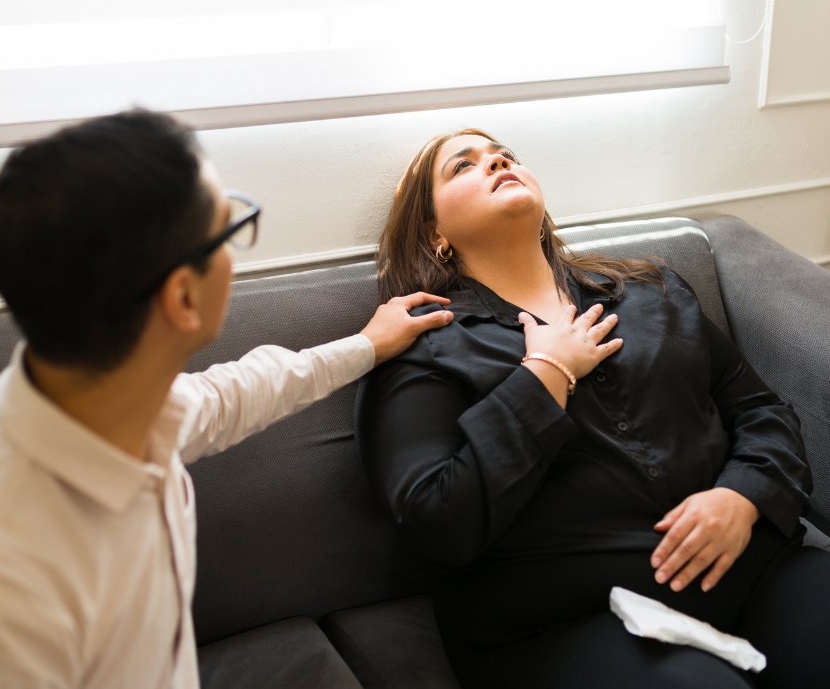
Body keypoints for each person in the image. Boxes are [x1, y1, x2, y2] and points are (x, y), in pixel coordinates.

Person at [0, 110, 453, 688]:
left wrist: (365, 346)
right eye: (229, 226)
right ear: (182, 297)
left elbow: (232, 394)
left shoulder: (103, 395)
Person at [354, 129, 830, 689]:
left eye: (504, 155)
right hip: (566, 624)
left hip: (757, 569)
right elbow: (438, 521)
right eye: (463, 166)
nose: (497, 162)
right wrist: (544, 376)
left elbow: (760, 410)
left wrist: (743, 495)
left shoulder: (653, 290)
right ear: (435, 232)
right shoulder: (418, 349)